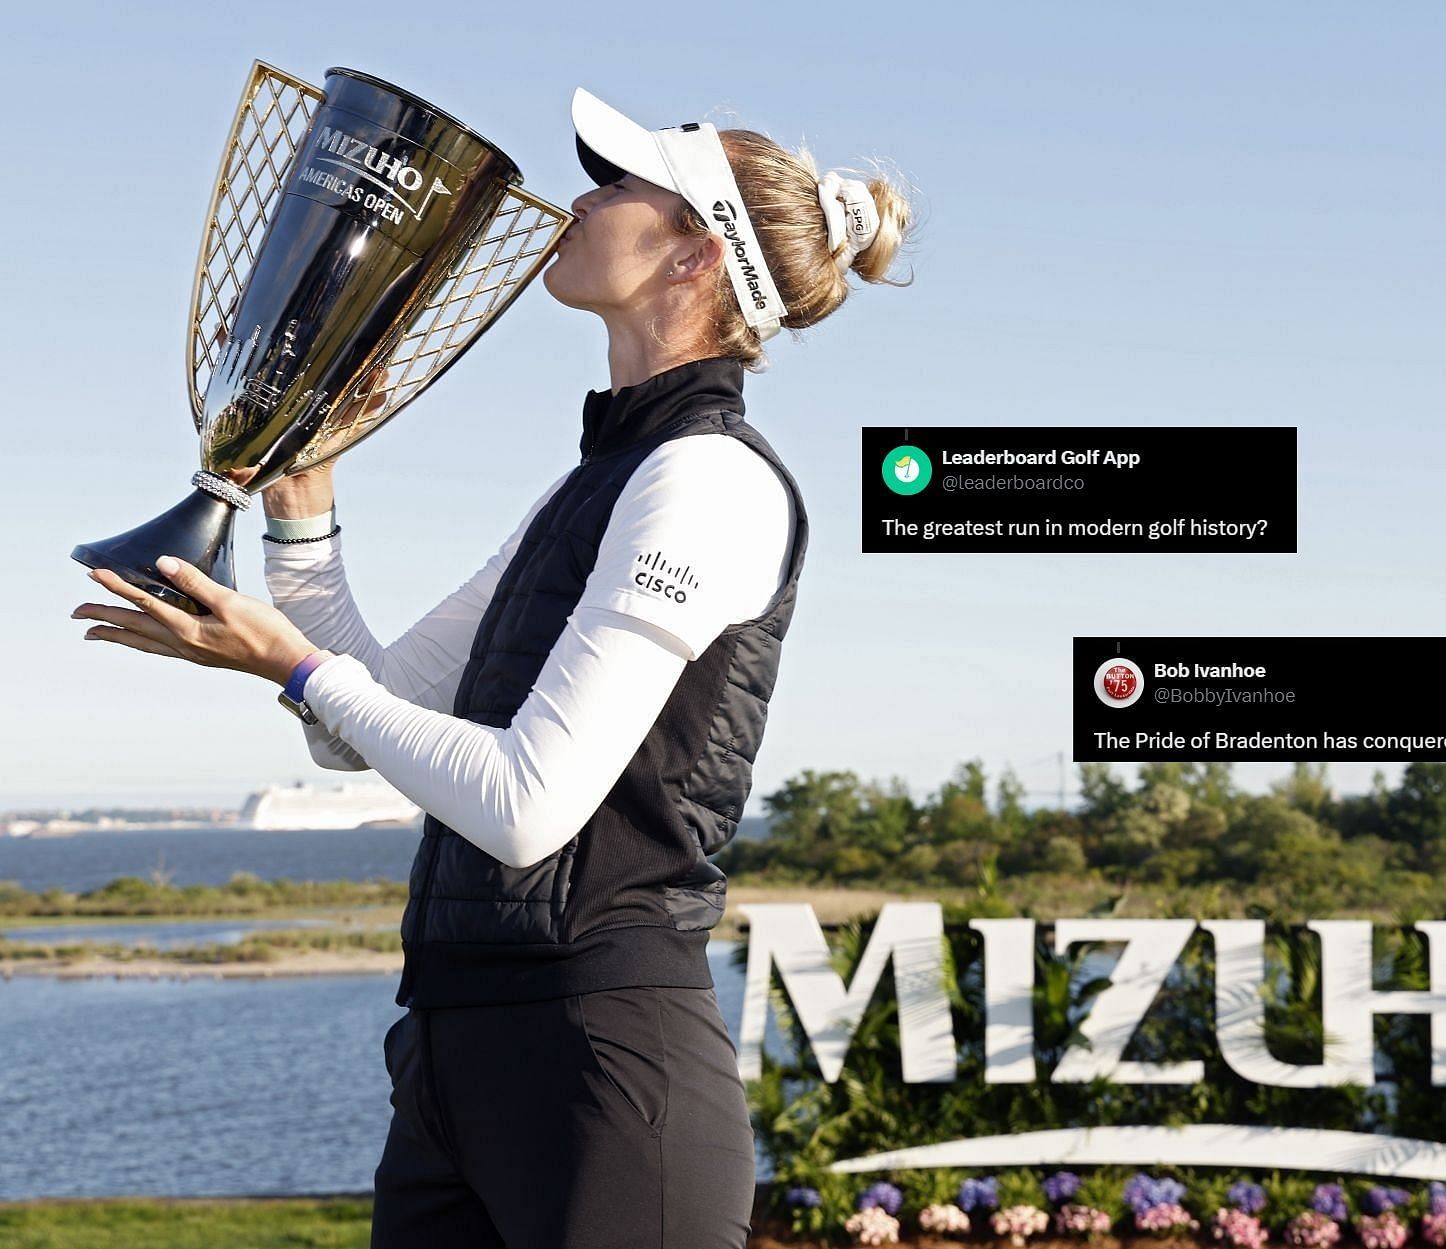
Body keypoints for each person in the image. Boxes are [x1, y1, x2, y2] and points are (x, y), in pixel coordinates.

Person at [70, 85, 913, 1248]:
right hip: (455, 1051)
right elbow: (364, 712)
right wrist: (302, 509)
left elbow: (524, 806)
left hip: (603, 1067)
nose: (584, 199)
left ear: (695, 256)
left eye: (619, 186)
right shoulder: (594, 484)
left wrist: (295, 666)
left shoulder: (705, 484)